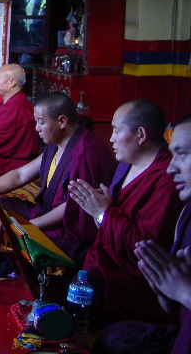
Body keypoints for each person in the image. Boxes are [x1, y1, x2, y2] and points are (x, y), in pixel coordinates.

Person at [0, 92, 116, 265]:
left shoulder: (86, 153)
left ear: (62, 122)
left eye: (41, 122)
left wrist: (28, 227)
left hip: (67, 229)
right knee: (0, 209)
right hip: (45, 212)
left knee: (16, 247)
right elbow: (19, 175)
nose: (36, 128)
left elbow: (73, 207)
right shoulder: (56, 145)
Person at [68, 99, 185, 325]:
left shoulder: (166, 179)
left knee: (79, 296)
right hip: (105, 255)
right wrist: (100, 211)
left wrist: (103, 212)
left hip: (132, 280)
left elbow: (145, 247)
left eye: (116, 130)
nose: (111, 137)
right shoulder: (125, 163)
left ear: (140, 135)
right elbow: (110, 220)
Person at [93, 114, 191, 354]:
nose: (171, 166)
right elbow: (172, 302)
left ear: (141, 135)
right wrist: (165, 288)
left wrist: (182, 290)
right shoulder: (188, 212)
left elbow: (141, 244)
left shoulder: (166, 184)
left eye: (182, 154)